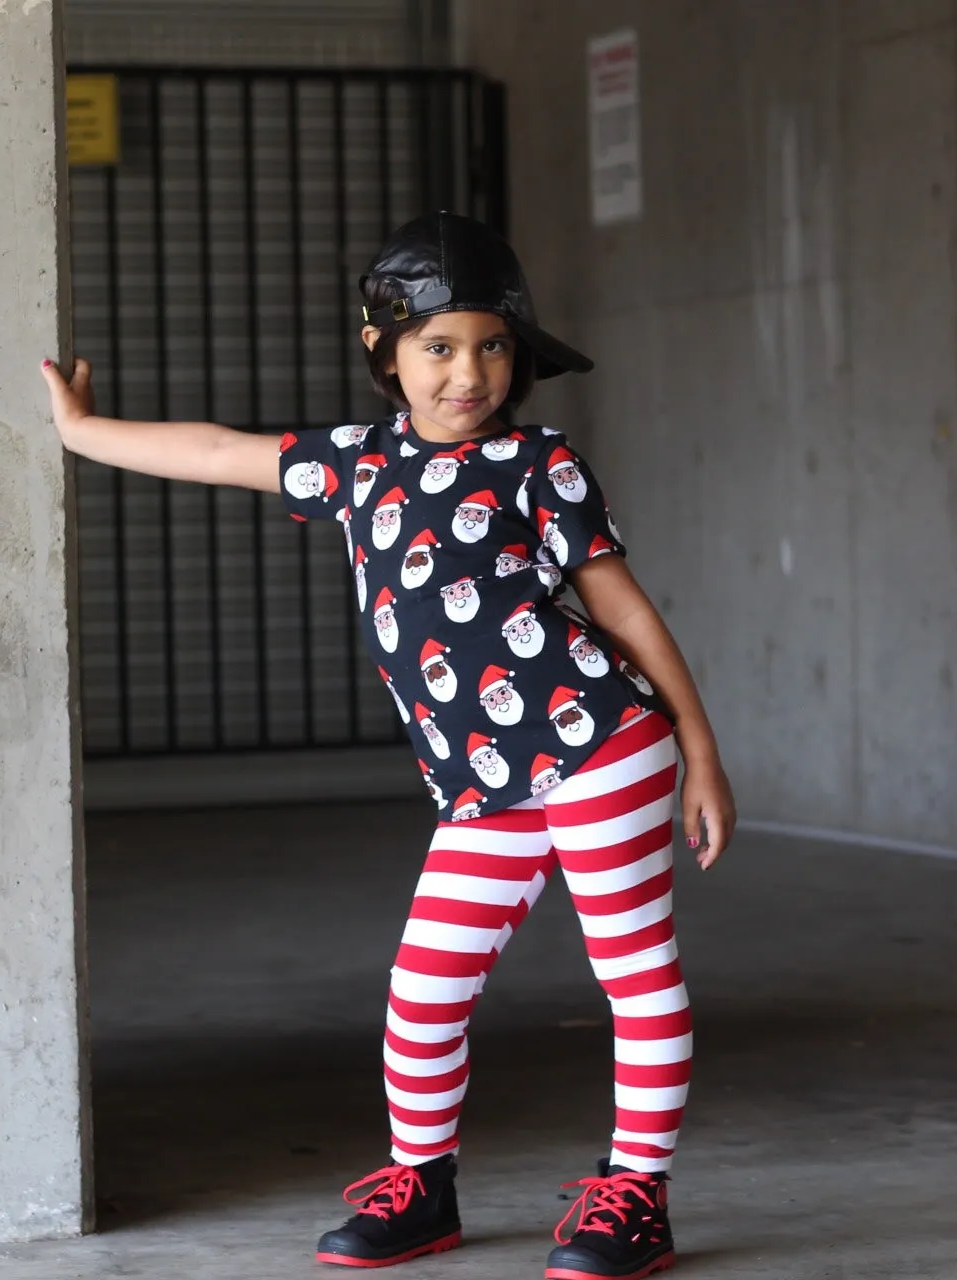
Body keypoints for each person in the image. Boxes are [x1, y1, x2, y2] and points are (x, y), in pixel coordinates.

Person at [42, 211, 736, 1280]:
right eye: (439, 346)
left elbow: (628, 614)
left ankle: (635, 1192)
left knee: (631, 968)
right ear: (386, 352)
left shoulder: (539, 466)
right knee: (424, 988)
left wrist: (699, 746)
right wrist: (86, 432)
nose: (469, 372)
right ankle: (425, 1183)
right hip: (483, 790)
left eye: (493, 345)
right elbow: (222, 451)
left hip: (603, 744)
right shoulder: (357, 465)